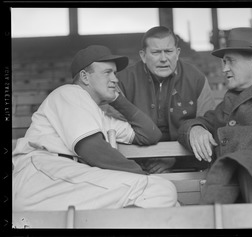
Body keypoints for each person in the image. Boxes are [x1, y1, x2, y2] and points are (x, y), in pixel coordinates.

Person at [12, 45, 178, 211]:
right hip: (41, 175)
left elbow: (150, 134)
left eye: (115, 73)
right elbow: (93, 149)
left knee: (166, 200)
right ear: (85, 77)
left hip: (67, 180)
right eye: (107, 72)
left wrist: (117, 100)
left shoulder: (100, 115)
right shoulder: (69, 93)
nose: (115, 79)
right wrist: (143, 177)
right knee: (159, 190)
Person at [178, 27, 252, 203]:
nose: (224, 69)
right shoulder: (231, 99)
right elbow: (197, 123)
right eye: (223, 62)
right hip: (231, 179)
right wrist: (195, 129)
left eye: (230, 61)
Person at [117, 26, 216, 174]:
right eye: (156, 52)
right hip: (136, 165)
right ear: (143, 56)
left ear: (177, 53)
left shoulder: (196, 79)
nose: (163, 59)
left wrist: (173, 158)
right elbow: (116, 131)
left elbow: (210, 125)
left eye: (169, 51)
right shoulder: (123, 80)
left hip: (187, 163)